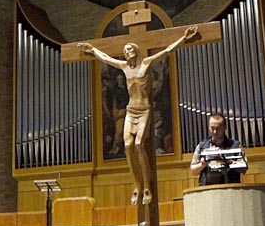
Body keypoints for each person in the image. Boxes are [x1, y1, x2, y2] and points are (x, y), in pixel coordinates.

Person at [78, 25, 198, 205]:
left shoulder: (146, 63)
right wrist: (93, 50)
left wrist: (184, 38)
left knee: (139, 144)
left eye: (129, 48)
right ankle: (137, 186)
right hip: (131, 109)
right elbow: (106, 58)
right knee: (127, 146)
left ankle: (147, 186)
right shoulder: (124, 67)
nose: (127, 51)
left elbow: (166, 51)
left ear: (135, 50)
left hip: (144, 109)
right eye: (125, 50)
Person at [190, 113, 247, 185]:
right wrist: (202, 164)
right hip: (207, 189)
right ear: (209, 127)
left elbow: (244, 169)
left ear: (224, 127)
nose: (215, 132)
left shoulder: (235, 145)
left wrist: (227, 162)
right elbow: (193, 171)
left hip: (231, 188)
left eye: (218, 128)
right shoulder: (202, 146)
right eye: (212, 128)